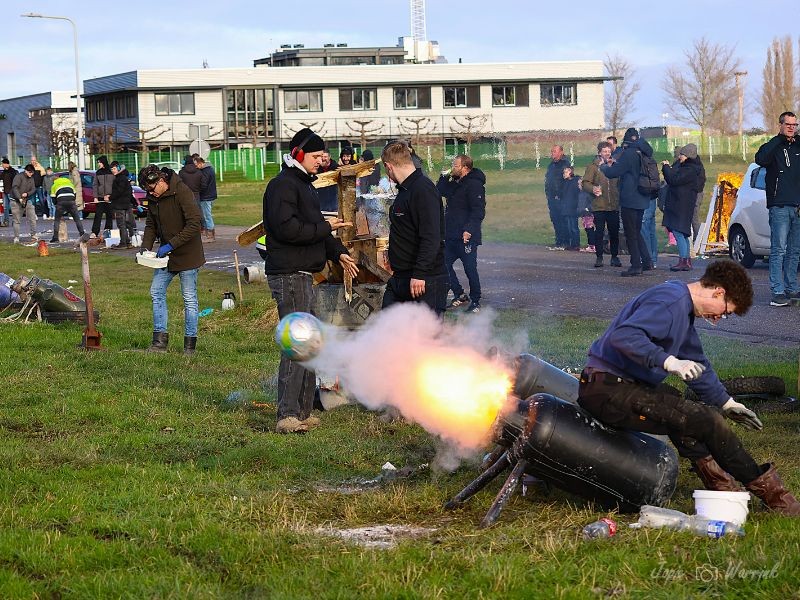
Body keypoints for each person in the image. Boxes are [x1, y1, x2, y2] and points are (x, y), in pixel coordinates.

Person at [577, 259, 800, 515]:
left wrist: (727, 403)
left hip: (620, 387)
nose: (719, 318)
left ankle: (725, 494)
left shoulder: (683, 308)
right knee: (705, 420)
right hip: (606, 390)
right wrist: (668, 361)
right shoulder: (669, 301)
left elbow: (698, 364)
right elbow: (624, 336)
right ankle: (775, 498)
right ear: (719, 292)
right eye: (725, 311)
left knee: (683, 411)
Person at [263, 127, 358, 434]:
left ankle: (303, 411)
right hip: (289, 275)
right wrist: (325, 228)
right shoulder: (282, 187)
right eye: (317, 156)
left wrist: (339, 252)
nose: (323, 161)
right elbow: (287, 230)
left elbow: (317, 228)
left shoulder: (304, 186)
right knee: (297, 344)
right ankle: (287, 415)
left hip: (304, 275)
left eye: (323, 156)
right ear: (299, 155)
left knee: (311, 344)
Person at [140, 164, 205, 355]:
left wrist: (171, 244)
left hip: (188, 255)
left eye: (152, 189)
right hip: (165, 258)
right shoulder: (153, 198)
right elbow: (151, 225)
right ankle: (159, 342)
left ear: (161, 181)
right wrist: (145, 246)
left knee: (189, 299)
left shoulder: (182, 191)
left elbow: (195, 224)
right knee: (156, 292)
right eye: (148, 191)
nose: (152, 194)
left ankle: (189, 347)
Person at [381, 140, 448, 315]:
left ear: (388, 167)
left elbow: (431, 237)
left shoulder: (423, 189)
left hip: (424, 280)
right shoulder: (405, 191)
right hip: (401, 278)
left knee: (425, 340)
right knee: (386, 330)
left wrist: (419, 273)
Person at [754, 111, 800, 307]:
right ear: (780, 125)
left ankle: (791, 288)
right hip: (779, 206)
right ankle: (777, 291)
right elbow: (760, 159)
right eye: (787, 124)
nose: (791, 127)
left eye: (794, 124)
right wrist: (779, 139)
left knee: (795, 251)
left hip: (797, 207)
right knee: (778, 249)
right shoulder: (773, 146)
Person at [600, 128, 655, 277]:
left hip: (630, 198)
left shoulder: (630, 153)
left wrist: (604, 166)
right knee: (636, 231)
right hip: (643, 196)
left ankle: (636, 265)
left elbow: (613, 172)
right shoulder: (644, 152)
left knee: (631, 233)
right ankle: (647, 261)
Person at [436, 154, 486, 313]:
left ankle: (476, 302)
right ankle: (459, 294)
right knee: (442, 263)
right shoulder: (456, 183)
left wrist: (469, 230)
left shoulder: (474, 185)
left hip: (466, 236)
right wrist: (443, 176)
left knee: (470, 268)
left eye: (455, 166)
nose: (453, 168)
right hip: (451, 235)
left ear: (465, 168)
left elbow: (478, 211)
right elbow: (440, 190)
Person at [661, 144, 703, 271]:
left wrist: (666, 168)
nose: (679, 157)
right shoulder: (691, 168)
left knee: (679, 232)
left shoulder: (689, 169)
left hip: (681, 205)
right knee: (683, 233)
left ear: (688, 156)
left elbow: (673, 179)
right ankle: (686, 261)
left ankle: (684, 260)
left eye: (682, 155)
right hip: (683, 204)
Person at [582, 142, 621, 268]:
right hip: (599, 205)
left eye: (609, 151)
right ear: (599, 153)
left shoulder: (615, 165)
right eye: (604, 151)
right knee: (599, 232)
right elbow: (585, 183)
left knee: (614, 232)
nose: (607, 153)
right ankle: (599, 257)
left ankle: (615, 257)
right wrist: (593, 188)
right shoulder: (593, 167)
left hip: (613, 204)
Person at [545, 145, 570, 249]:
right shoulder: (551, 165)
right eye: (552, 151)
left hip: (561, 198)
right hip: (551, 198)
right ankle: (558, 240)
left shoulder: (565, 164)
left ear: (561, 152)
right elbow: (548, 180)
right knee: (555, 219)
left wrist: (560, 195)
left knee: (563, 220)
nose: (552, 153)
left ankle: (566, 241)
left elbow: (566, 181)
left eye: (555, 151)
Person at [48, 174, 86, 243]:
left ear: (54, 180)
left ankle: (55, 237)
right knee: (77, 219)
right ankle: (82, 234)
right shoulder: (69, 183)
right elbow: (74, 194)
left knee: (57, 220)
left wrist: (57, 206)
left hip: (61, 201)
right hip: (71, 201)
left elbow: (53, 199)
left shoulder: (54, 185)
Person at [11, 165, 38, 243]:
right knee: (17, 220)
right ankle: (16, 237)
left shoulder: (31, 178)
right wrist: (19, 198)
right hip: (15, 200)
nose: (31, 174)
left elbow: (33, 189)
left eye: (32, 173)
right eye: (30, 172)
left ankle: (34, 235)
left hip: (26, 200)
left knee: (32, 217)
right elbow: (15, 188)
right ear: (25, 171)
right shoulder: (18, 177)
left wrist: (27, 193)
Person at [194, 156, 218, 243]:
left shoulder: (205, 172)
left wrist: (198, 190)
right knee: (207, 214)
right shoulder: (210, 169)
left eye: (196, 165)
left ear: (200, 163)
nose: (196, 167)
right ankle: (210, 233)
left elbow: (204, 184)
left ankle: (210, 235)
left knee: (206, 215)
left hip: (206, 196)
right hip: (210, 195)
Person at [109, 161, 133, 248]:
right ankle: (127, 242)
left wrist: (110, 197)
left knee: (121, 224)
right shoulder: (123, 178)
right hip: (125, 204)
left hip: (120, 205)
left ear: (118, 168)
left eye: (114, 168)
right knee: (125, 224)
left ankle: (123, 243)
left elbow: (119, 191)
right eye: (111, 169)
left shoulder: (120, 179)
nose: (113, 171)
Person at [91, 155, 115, 237]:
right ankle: (94, 232)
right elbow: (95, 185)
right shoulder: (98, 172)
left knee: (109, 215)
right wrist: (95, 197)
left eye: (99, 162)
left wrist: (110, 195)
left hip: (109, 198)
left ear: (103, 162)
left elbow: (114, 184)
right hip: (100, 197)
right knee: (98, 215)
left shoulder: (111, 171)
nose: (99, 164)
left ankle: (107, 232)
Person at [559, 165, 581, 251]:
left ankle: (576, 244)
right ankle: (572, 244)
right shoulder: (565, 183)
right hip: (566, 208)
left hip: (573, 207)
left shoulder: (575, 181)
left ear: (570, 172)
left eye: (566, 172)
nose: (564, 174)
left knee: (574, 227)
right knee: (569, 227)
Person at [1, 158, 17, 227]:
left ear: (6, 164)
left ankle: (15, 221)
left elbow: (15, 181)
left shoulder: (12, 171)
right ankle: (6, 221)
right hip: (5, 191)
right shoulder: (4, 172)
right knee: (5, 207)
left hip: (11, 192)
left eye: (2, 164)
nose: (2, 165)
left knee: (13, 207)